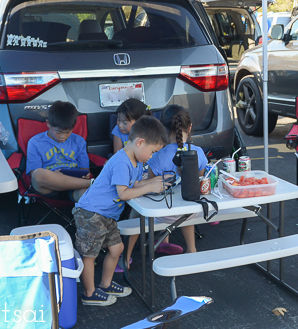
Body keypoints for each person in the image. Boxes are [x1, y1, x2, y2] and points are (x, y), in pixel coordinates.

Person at [73, 116, 169, 306]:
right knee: (90, 254)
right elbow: (123, 193)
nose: (151, 157)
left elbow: (134, 183)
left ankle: (105, 284)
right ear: (140, 143)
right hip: (91, 213)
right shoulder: (121, 162)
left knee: (117, 248)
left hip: (106, 214)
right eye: (152, 152)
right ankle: (89, 293)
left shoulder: (135, 159)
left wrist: (155, 181)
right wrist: (150, 188)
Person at [146, 105, 208, 254]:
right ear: (190, 127)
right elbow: (200, 180)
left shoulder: (157, 155)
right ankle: (191, 249)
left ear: (162, 128)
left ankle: (127, 255)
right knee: (186, 201)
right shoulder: (197, 152)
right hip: (190, 212)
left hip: (163, 214)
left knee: (138, 209)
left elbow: (150, 185)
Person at [25, 101, 92, 202]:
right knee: (38, 174)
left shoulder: (78, 141)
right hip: (47, 187)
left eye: (68, 132)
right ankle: (94, 183)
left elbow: (84, 171)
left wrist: (85, 175)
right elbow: (34, 174)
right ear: (48, 124)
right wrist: (54, 176)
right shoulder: (35, 142)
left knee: (87, 195)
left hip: (74, 186)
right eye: (58, 132)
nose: (63, 137)